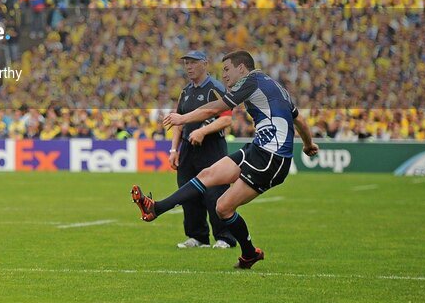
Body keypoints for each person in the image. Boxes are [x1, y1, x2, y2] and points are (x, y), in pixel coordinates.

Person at [131, 50, 318, 269]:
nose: (225, 75)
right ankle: (155, 208)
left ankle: (249, 253)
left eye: (227, 70)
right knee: (207, 175)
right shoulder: (274, 87)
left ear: (242, 68)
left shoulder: (251, 81)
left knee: (222, 207)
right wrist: (308, 144)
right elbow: (300, 121)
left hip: (271, 158)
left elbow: (219, 107)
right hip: (258, 148)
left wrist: (183, 118)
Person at [168, 51, 235, 250]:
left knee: (215, 192)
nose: (188, 67)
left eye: (193, 63)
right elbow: (178, 121)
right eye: (186, 63)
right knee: (188, 193)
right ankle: (197, 236)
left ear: (205, 64)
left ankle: (225, 237)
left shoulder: (215, 88)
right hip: (189, 149)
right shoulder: (186, 91)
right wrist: (174, 149)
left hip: (212, 147)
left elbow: (226, 118)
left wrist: (203, 131)